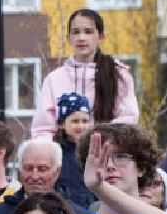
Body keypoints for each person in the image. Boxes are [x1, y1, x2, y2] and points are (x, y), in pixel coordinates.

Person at [31, 9, 138, 139]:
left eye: (88, 31)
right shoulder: (54, 80)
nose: (81, 38)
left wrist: (100, 142)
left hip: (106, 152)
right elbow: (42, 129)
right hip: (64, 154)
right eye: (76, 32)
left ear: (100, 37)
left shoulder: (118, 75)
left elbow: (127, 120)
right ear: (68, 38)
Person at [51, 93, 97, 211]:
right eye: (75, 121)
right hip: (67, 211)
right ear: (62, 124)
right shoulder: (55, 152)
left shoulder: (95, 149)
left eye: (85, 121)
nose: (80, 126)